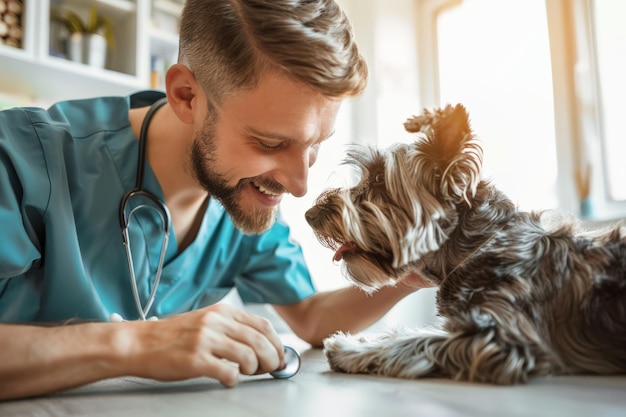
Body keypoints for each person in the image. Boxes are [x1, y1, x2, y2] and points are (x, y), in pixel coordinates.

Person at [0, 0, 431, 400]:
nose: (300, 185)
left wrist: (407, 276)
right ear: (186, 95)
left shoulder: (244, 199)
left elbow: (312, 317)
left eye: (315, 143)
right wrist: (131, 344)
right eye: (270, 142)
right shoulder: (24, 159)